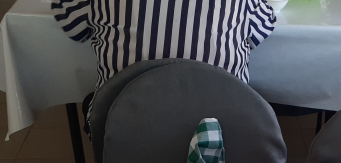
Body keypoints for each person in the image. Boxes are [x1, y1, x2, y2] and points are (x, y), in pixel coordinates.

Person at [51, 0, 276, 128]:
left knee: (93, 104)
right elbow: (261, 30)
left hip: (122, 130)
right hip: (224, 132)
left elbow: (73, 26)